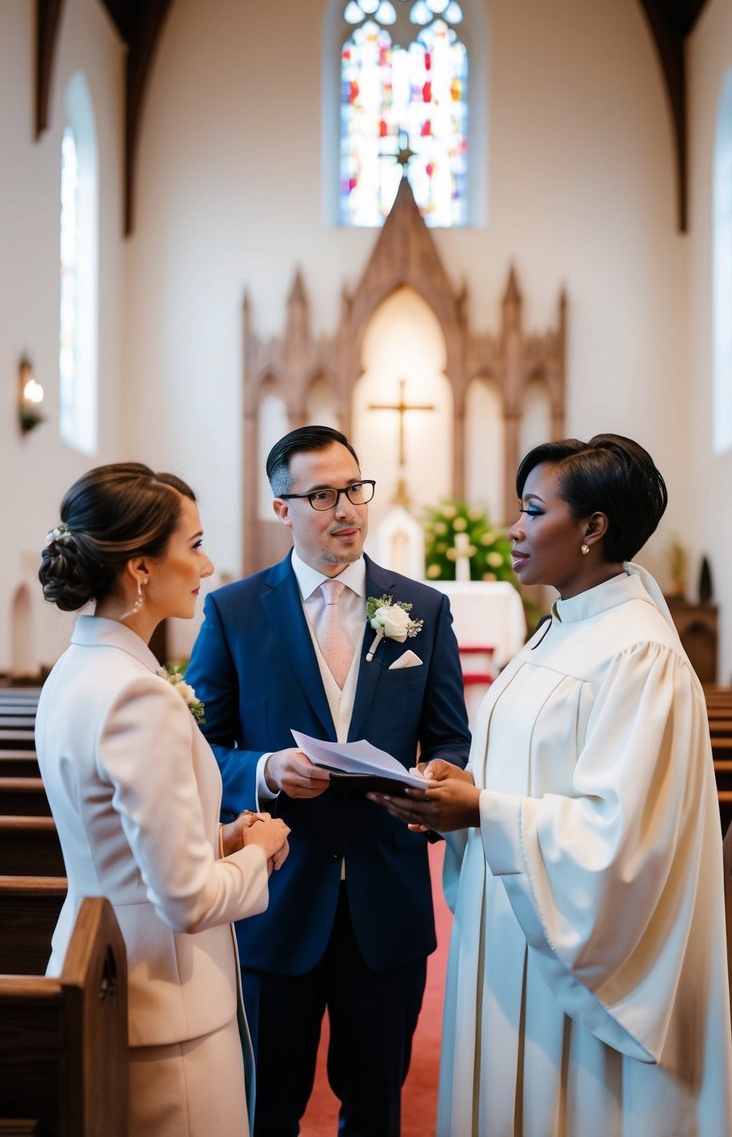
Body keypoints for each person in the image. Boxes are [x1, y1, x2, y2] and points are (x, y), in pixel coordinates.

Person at [371, 434, 732, 1137]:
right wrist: (468, 790)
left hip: (568, 964)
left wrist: (482, 807)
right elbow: (538, 773)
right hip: (513, 930)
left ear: (593, 528)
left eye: (533, 511)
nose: (514, 528)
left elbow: (620, 839)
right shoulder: (558, 631)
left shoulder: (637, 654)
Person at [185, 424, 471, 1136]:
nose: (345, 508)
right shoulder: (233, 611)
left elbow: (448, 737)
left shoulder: (422, 610)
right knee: (264, 1105)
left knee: (375, 1107)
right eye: (320, 494)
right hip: (275, 900)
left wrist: (437, 777)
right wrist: (264, 770)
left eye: (352, 488)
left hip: (387, 897)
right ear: (281, 506)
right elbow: (194, 749)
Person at [35, 462, 290, 1137]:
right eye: (195, 544)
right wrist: (258, 853)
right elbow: (185, 900)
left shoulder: (76, 669)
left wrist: (217, 839)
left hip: (106, 977)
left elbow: (119, 840)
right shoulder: (136, 695)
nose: (206, 564)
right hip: (161, 1010)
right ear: (142, 568)